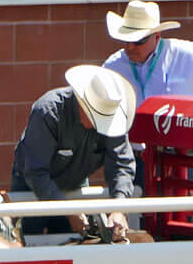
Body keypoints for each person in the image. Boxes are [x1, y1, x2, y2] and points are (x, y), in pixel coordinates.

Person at [103, 0, 193, 187]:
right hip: (136, 159)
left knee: (187, 214)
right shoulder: (113, 66)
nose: (130, 47)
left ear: (157, 37)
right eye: (126, 41)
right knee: (142, 214)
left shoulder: (187, 55)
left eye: (138, 41)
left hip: (181, 157)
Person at [11, 65, 136, 241]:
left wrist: (118, 207)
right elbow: (36, 172)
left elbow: (121, 164)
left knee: (76, 244)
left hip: (75, 183)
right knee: (30, 243)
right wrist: (68, 210)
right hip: (31, 185)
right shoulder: (48, 111)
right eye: (95, 117)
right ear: (81, 102)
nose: (99, 126)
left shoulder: (113, 116)